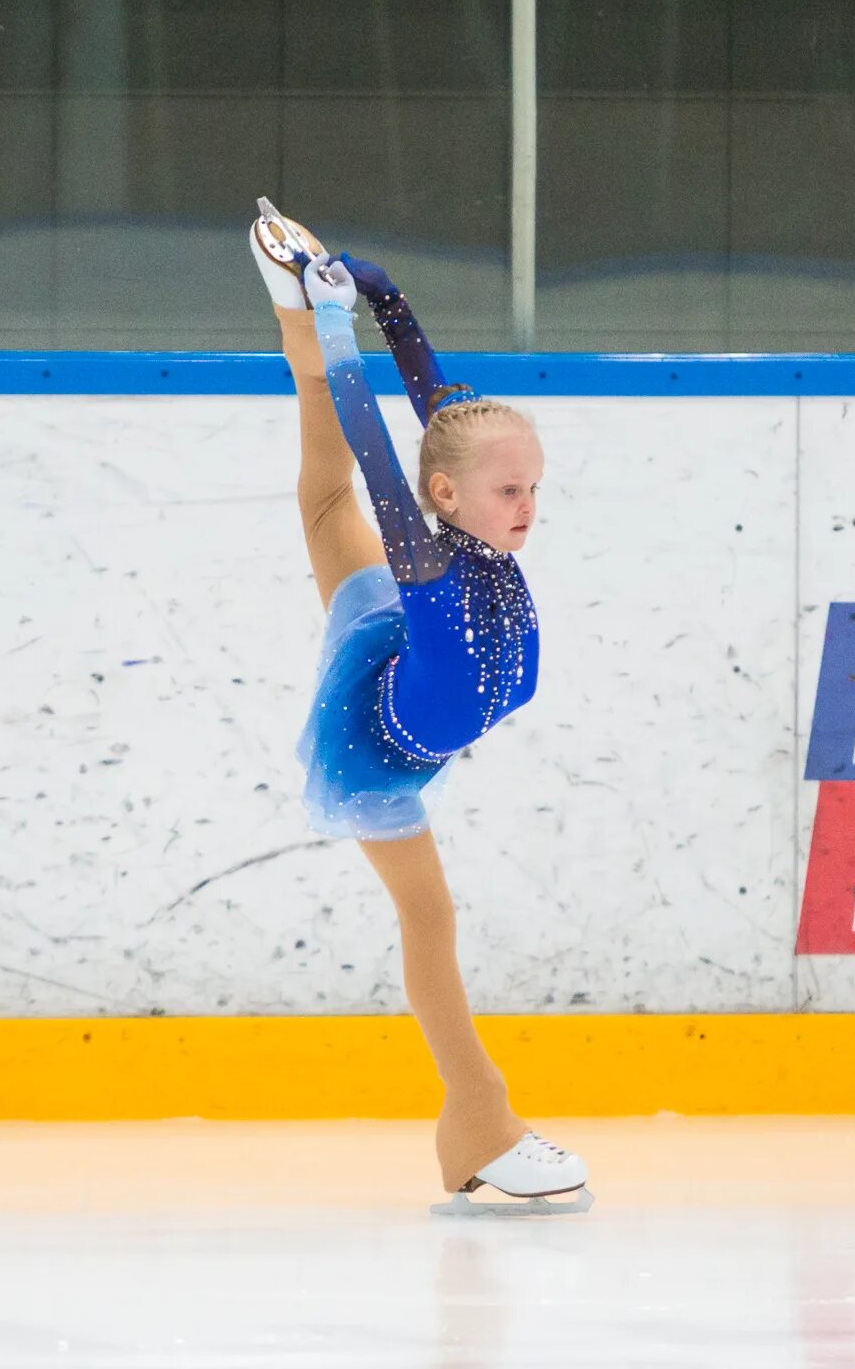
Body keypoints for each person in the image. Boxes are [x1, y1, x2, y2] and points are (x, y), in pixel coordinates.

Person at [249, 201, 590, 1210]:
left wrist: (363, 283)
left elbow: (429, 390)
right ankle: (479, 1115)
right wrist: (337, 331)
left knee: (319, 510)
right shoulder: (427, 563)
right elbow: (370, 435)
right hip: (376, 747)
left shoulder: (464, 495)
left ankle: (286, 314)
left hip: (394, 654)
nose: (525, 509)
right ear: (443, 497)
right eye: (506, 494)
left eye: (532, 489)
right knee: (428, 915)